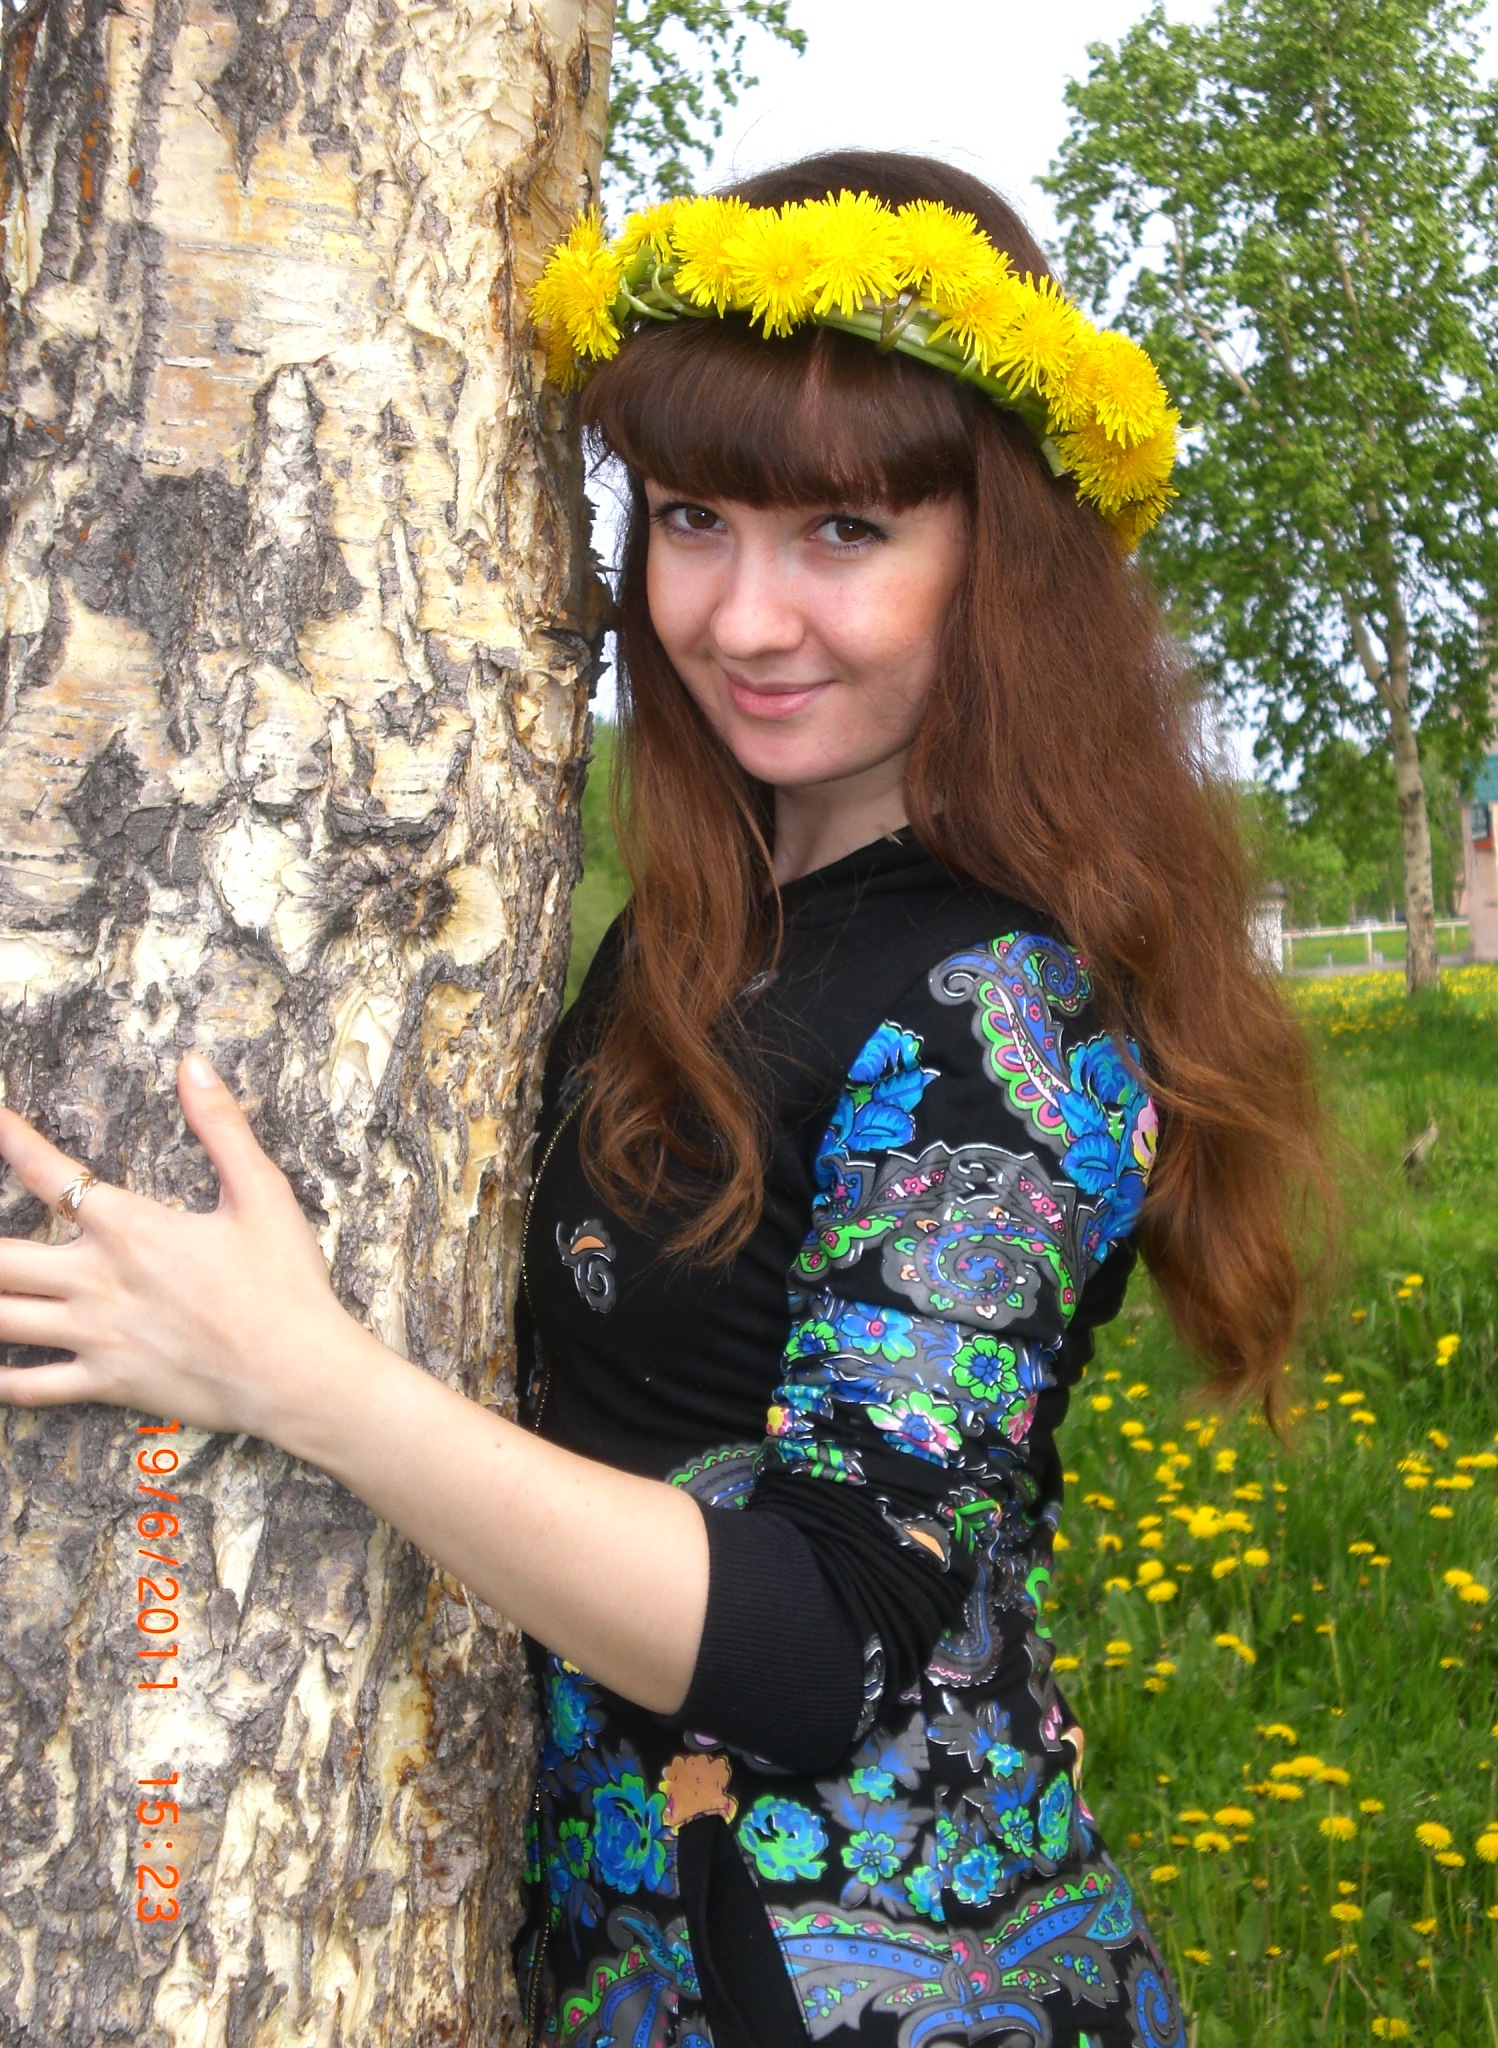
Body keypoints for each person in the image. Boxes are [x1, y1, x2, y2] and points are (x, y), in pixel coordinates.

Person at [0, 153, 1324, 2048]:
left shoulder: (1002, 1003)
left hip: (887, 1994)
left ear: (1004, 563)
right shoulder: (712, 926)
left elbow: (815, 1645)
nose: (743, 618)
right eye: (694, 518)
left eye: (845, 532)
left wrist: (294, 1375)